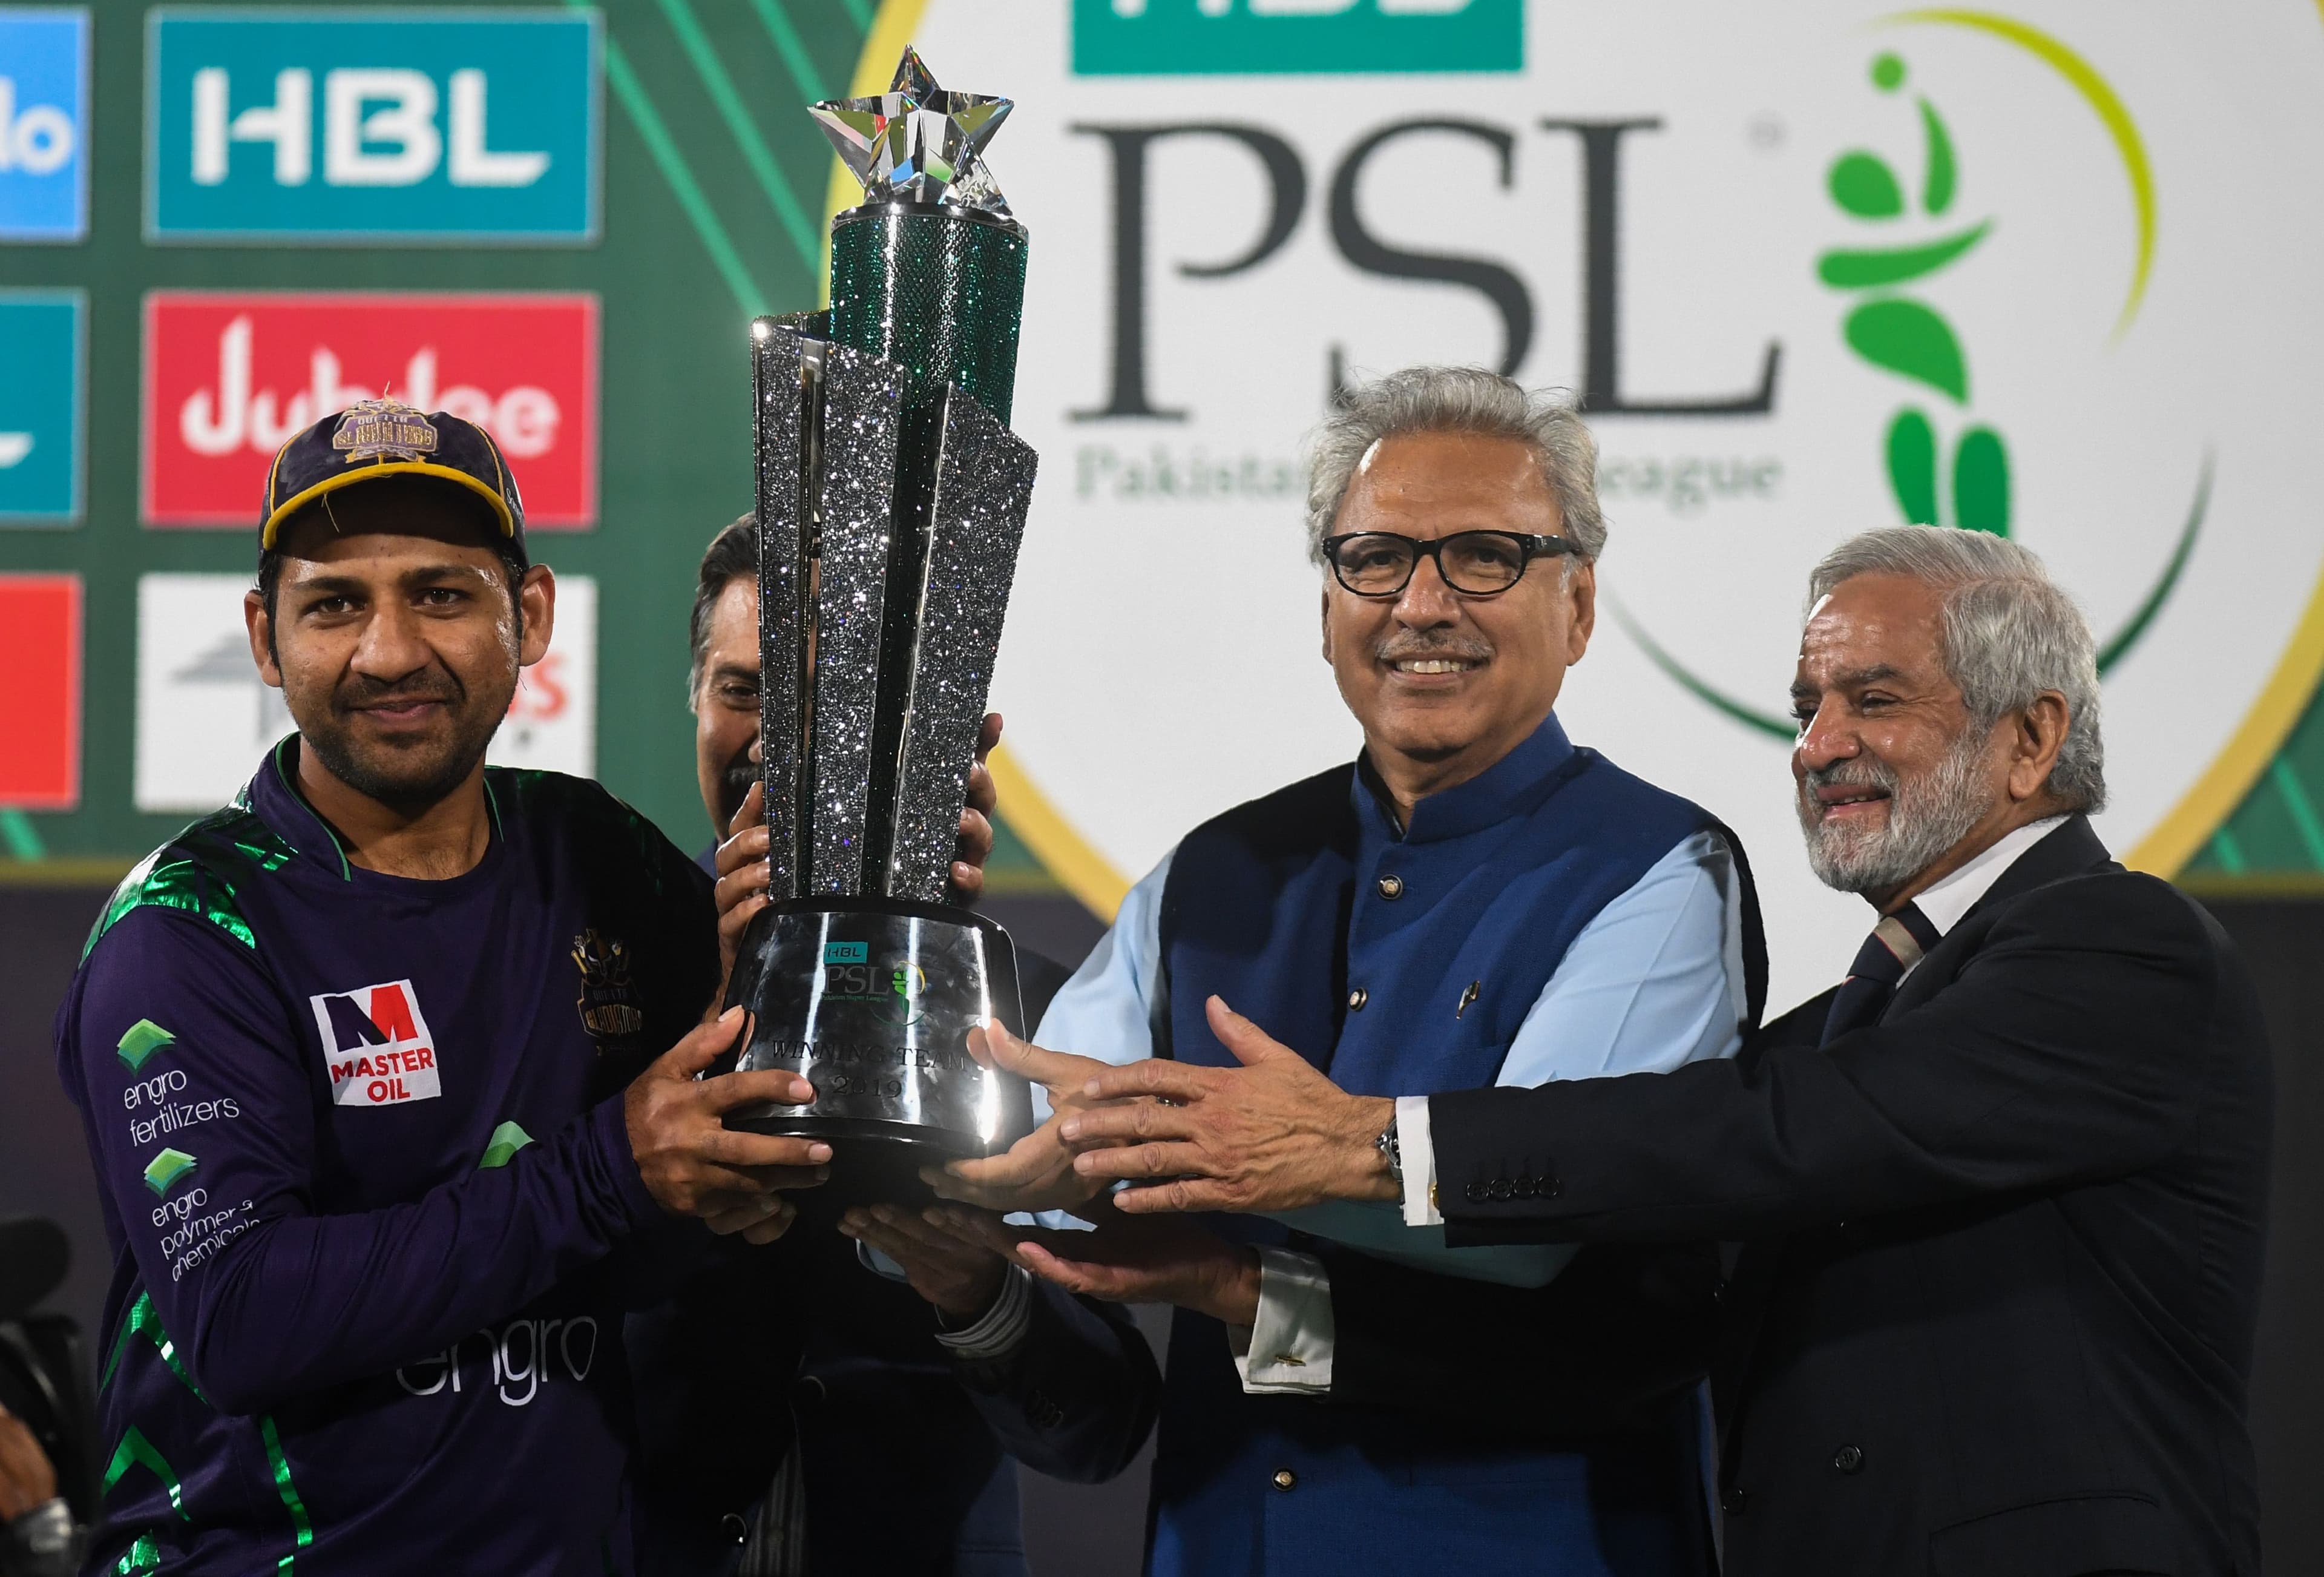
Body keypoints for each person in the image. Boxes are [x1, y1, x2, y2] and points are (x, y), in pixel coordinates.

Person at [1049, 525, 2271, 1577]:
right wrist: (1233, 1283)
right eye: (1807, 708)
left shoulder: (2125, 946)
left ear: (2032, 736)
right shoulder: (1832, 1032)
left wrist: (1369, 1142)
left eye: (1874, 700)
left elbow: (1781, 1131)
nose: (1817, 745)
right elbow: (1623, 1339)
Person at [933, 367, 1767, 1576]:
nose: (1421, 604)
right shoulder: (1210, 873)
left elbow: (1540, 1222)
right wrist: (931, 1169)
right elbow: (1045, 1158)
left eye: (1483, 557)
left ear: (1580, 605)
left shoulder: (1661, 871)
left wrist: (1261, 1165)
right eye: (1374, 559)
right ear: (1327, 607)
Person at [56, 398, 866, 1576]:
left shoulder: (599, 857)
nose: (390, 652)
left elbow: (649, 1227)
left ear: (528, 615)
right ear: (266, 638)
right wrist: (611, 1171)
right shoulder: (189, 929)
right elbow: (240, 1315)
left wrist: (880, 903)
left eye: (440, 594)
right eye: (335, 604)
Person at [621, 518, 1159, 1576]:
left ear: (941, 735)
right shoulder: (604, 978)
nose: (783, 742)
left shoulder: (1032, 1017)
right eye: (744, 691)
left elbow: (1100, 1430)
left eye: (840, 707)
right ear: (695, 702)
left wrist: (985, 1299)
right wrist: (716, 1004)